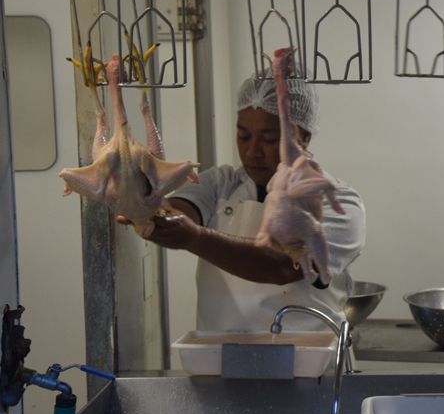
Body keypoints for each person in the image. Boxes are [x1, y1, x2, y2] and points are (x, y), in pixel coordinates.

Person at [134, 74, 366, 332]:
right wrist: (144, 207)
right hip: (221, 360)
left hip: (311, 362)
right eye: (243, 136)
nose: (252, 151)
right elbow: (176, 213)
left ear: (304, 136)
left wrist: (195, 238)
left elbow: (282, 267)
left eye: (268, 139)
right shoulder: (221, 183)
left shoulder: (340, 203)